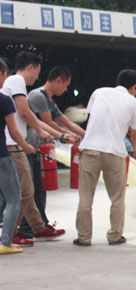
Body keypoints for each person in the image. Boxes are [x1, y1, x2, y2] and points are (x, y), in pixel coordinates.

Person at [2, 51, 66, 247]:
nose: (37, 77)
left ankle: (38, 227)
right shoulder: (17, 82)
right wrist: (35, 136)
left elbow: (29, 116)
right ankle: (11, 234)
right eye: (37, 72)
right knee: (24, 193)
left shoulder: (12, 82)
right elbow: (25, 112)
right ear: (30, 67)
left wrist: (54, 134)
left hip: (14, 145)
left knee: (21, 192)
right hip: (14, 147)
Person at [73, 69, 136, 246]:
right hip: (115, 152)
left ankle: (84, 237)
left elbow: (94, 116)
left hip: (90, 150)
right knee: (117, 198)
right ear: (133, 87)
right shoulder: (134, 103)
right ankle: (114, 236)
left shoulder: (99, 92)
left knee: (86, 197)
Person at [18, 66, 83, 238]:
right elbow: (48, 124)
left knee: (39, 189)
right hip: (29, 146)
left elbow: (65, 121)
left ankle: (41, 224)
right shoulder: (38, 96)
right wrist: (64, 136)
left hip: (37, 148)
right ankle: (25, 229)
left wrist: (87, 135)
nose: (66, 89)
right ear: (58, 80)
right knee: (28, 191)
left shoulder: (48, 100)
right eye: (66, 85)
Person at [0, 59, 36, 254]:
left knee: (2, 198)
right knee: (15, 197)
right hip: (2, 156)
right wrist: (26, 146)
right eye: (5, 75)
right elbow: (14, 132)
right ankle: (6, 242)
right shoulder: (4, 100)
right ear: (1, 74)